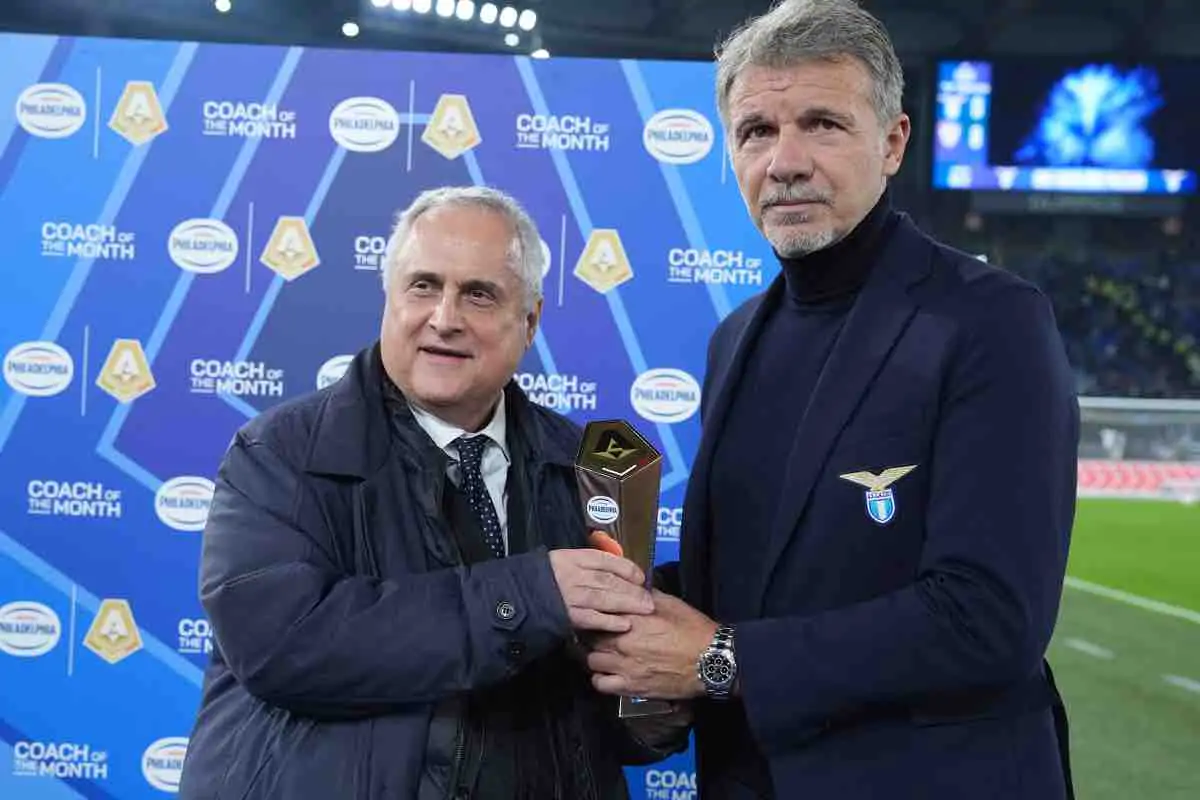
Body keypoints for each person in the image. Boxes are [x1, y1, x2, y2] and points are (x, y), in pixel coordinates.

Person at [583, 1, 1080, 798]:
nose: (785, 162)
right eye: (756, 131)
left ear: (893, 143)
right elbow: (766, 577)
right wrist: (608, 597)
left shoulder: (991, 320)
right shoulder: (734, 338)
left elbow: (990, 617)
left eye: (822, 124)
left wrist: (720, 660)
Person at [177, 186, 684, 800]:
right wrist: (531, 595)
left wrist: (654, 702)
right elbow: (284, 647)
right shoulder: (280, 454)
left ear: (530, 322)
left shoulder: (594, 468)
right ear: (389, 300)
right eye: (423, 286)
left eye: (479, 294)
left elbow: (612, 726)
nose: (445, 318)